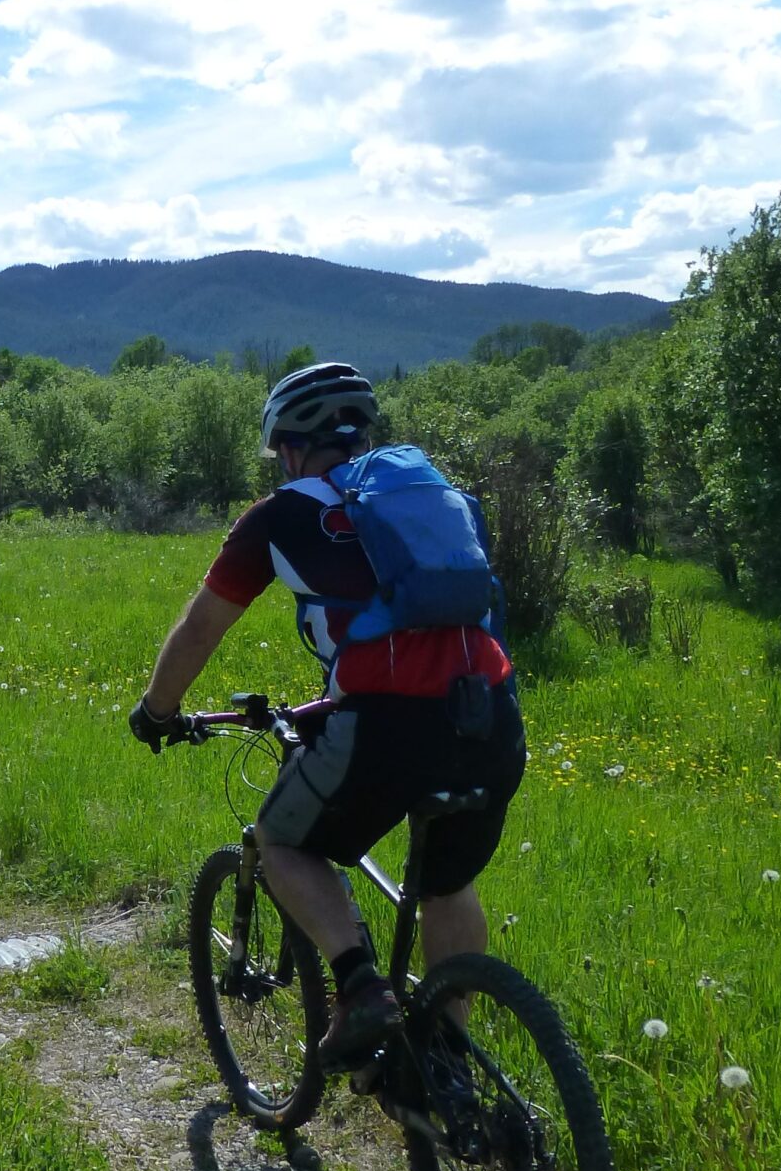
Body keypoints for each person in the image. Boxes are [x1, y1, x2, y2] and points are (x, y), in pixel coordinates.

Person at [129, 360, 525, 1077]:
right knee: (446, 883)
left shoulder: (282, 513)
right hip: (489, 715)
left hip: (389, 721)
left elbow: (201, 627)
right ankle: (448, 1067)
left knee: (283, 843)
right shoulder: (436, 501)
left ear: (289, 445)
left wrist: (158, 710)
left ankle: (360, 988)